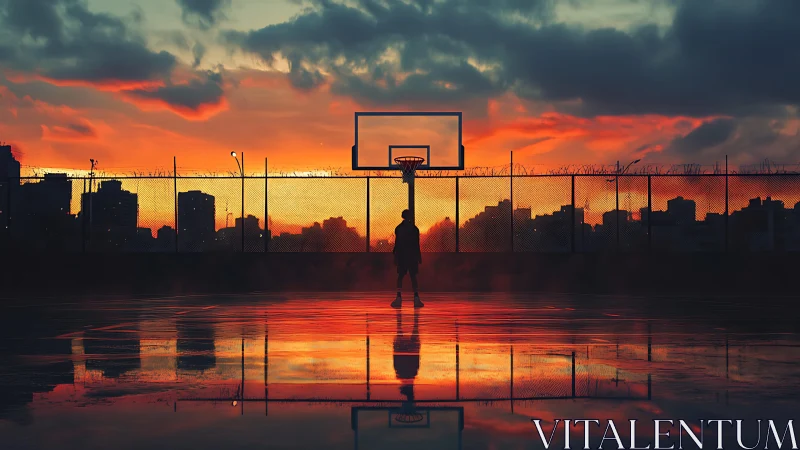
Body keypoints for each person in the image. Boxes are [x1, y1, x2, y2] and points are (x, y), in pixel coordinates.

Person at [391, 209, 423, 308]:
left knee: (400, 276)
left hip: (402, 255)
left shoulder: (399, 228)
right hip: (412, 255)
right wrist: (418, 256)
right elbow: (417, 244)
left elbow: (397, 244)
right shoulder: (414, 229)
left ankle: (398, 297)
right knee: (413, 276)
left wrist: (396, 256)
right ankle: (416, 298)